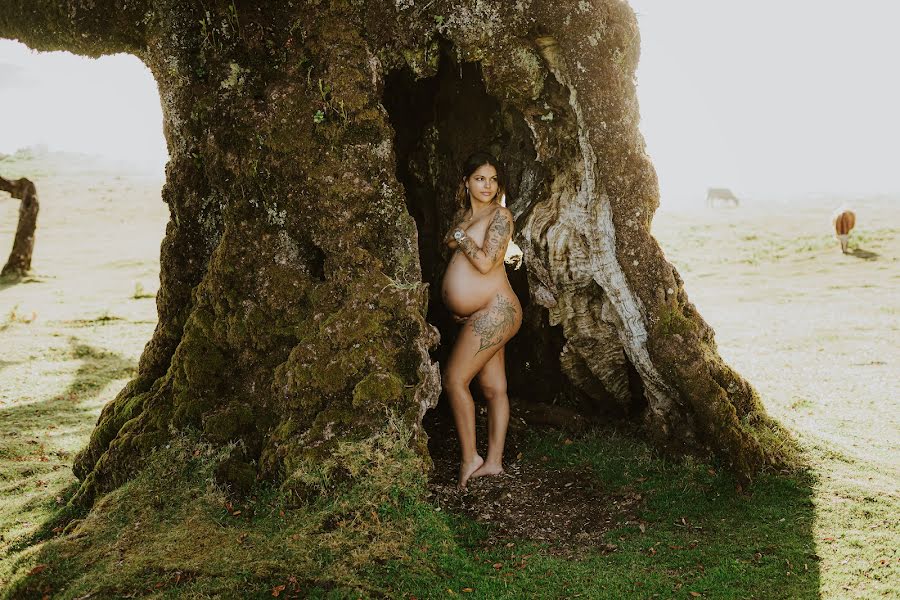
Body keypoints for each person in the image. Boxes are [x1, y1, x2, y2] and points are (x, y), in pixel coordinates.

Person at [441, 152, 523, 488]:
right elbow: (449, 242)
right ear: (467, 182)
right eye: (479, 178)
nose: (487, 185)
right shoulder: (464, 217)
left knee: (454, 380)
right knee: (493, 387)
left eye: (492, 179)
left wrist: (460, 238)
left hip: (497, 310)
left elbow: (488, 263)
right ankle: (493, 463)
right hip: (482, 312)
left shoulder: (500, 216)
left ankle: (469, 457)